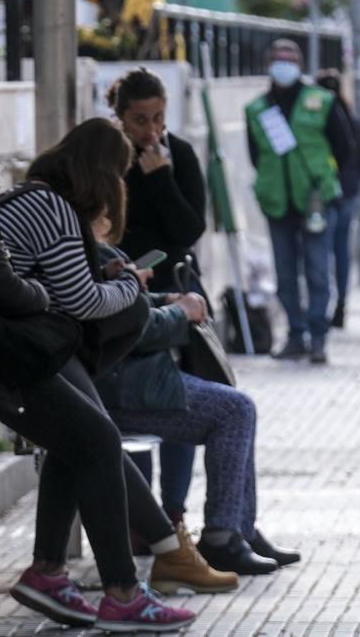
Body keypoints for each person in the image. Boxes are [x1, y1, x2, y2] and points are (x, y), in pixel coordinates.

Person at [0, 119, 235, 633]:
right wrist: (127, 284)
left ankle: (49, 572)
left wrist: (112, 281)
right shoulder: (53, 208)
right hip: (16, 356)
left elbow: (56, 288)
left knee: (76, 443)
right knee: (100, 440)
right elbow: (79, 301)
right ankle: (123, 593)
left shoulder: (29, 198)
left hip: (12, 351)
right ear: (102, 173)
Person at [90, 229, 302, 576]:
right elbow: (123, 325)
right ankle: (223, 535)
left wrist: (164, 300)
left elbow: (125, 310)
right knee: (235, 409)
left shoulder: (86, 246)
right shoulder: (84, 248)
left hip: (122, 382)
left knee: (236, 406)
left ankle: (239, 529)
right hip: (119, 388)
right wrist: (179, 314)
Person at [104, 67, 206, 547]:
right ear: (120, 118)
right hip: (124, 297)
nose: (151, 131)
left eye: (158, 118)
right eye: (140, 120)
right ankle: (138, 517)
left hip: (177, 296)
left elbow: (189, 230)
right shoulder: (108, 161)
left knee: (181, 403)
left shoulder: (178, 154)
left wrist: (162, 177)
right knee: (135, 406)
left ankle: (174, 512)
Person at [245, 39, 354, 364]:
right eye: (278, 59)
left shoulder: (321, 101)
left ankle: (318, 337)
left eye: (289, 59)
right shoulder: (256, 109)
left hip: (316, 200)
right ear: (268, 65)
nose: (283, 64)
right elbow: (255, 155)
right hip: (278, 202)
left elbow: (345, 147)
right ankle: (295, 335)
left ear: (300, 64)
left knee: (319, 271)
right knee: (285, 274)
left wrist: (320, 177)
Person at [313, 69, 360, 329]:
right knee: (341, 251)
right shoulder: (352, 119)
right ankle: (341, 303)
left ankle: (324, 306)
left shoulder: (317, 121)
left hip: (327, 193)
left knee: (321, 251)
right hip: (349, 192)